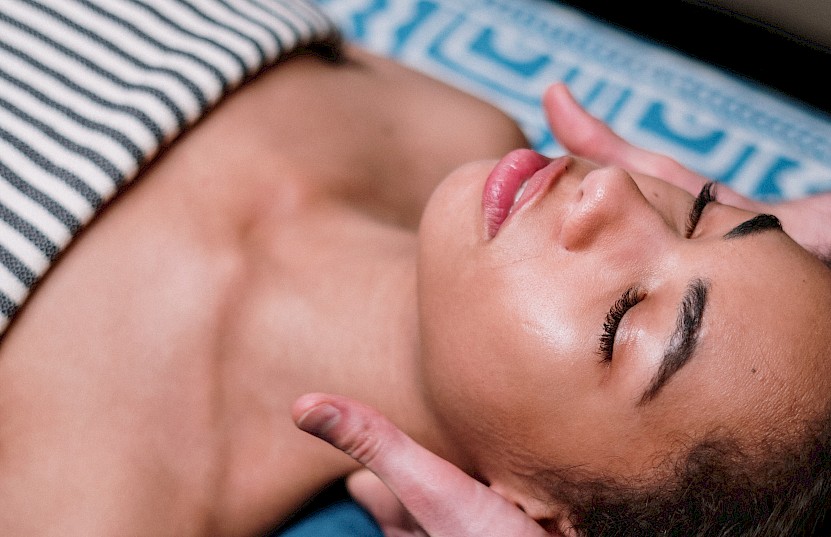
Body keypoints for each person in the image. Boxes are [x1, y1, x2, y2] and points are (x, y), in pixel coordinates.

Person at [1, 2, 831, 536]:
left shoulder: (94, 503)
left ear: (536, 517)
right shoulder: (453, 127)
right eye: (701, 210)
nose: (609, 189)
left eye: (624, 319)